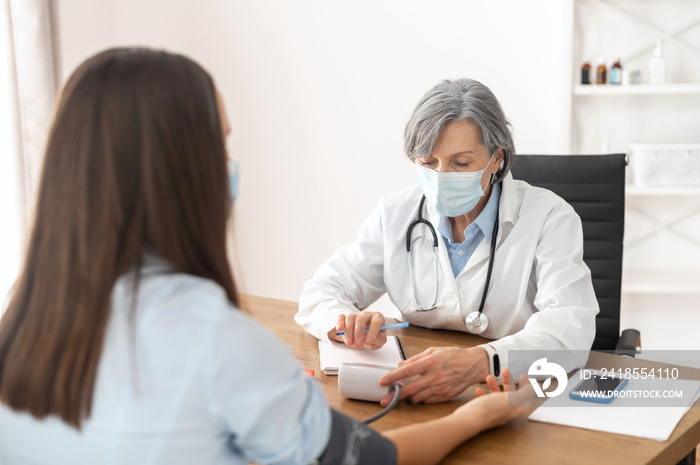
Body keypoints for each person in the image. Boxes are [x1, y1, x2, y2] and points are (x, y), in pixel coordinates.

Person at [0, 48, 532, 465]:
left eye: (461, 162)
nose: (230, 166)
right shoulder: (218, 340)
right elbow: (376, 452)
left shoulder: (21, 314)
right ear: (179, 171)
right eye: (221, 147)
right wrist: (477, 416)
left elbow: (570, 332)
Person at [295, 78, 598, 406]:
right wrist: (346, 323)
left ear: (496, 159)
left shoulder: (550, 217)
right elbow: (320, 293)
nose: (441, 176)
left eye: (461, 163)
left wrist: (483, 361)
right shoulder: (395, 214)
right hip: (419, 386)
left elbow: (571, 330)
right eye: (428, 162)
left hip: (510, 392)